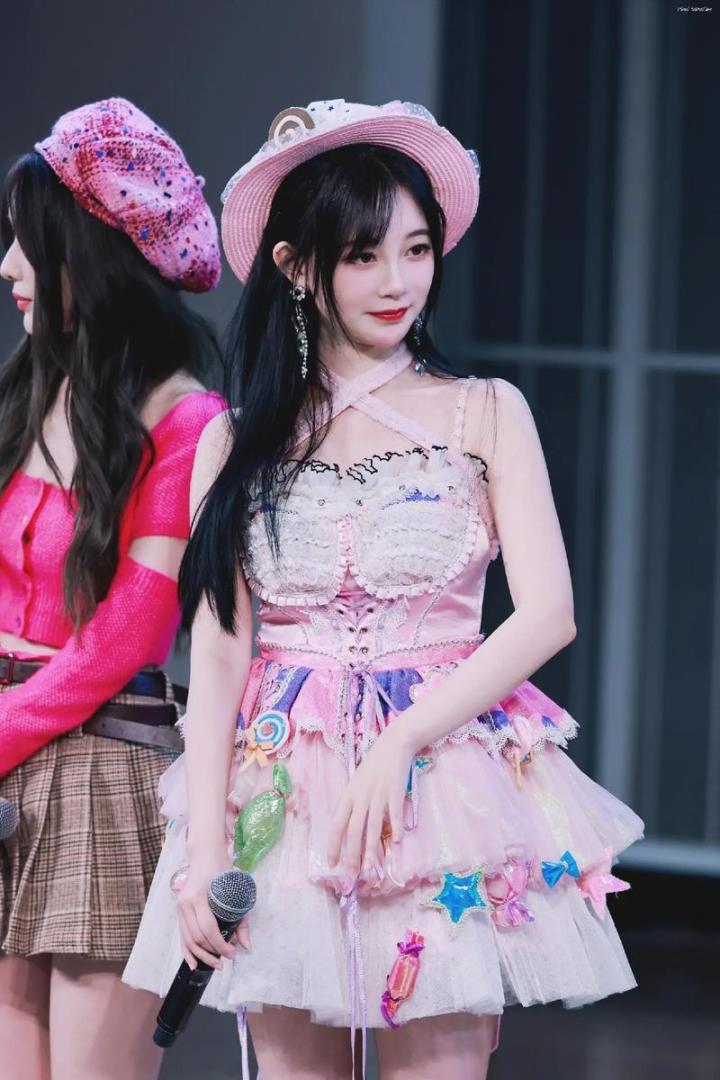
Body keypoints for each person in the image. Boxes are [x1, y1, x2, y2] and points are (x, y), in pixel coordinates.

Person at [125, 99, 644, 1080]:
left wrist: (404, 737)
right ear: (295, 266)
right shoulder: (236, 439)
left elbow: (549, 614)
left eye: (416, 250)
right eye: (363, 256)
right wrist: (204, 852)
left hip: (443, 785)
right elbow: (221, 648)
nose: (398, 281)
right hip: (282, 792)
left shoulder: (487, 412)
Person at [0, 97, 226, 1080]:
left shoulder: (188, 420)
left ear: (92, 256)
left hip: (100, 767)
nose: (9, 266)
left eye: (30, 242)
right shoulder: (30, 389)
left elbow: (130, 629)